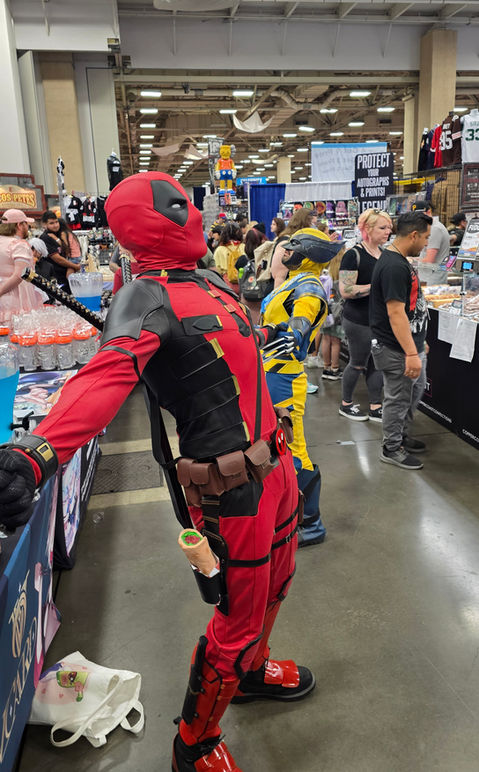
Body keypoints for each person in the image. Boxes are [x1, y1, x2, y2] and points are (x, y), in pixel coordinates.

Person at [0, 172, 314, 772]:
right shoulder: (144, 297)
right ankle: (195, 742)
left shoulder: (209, 279)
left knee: (279, 581)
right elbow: (104, 377)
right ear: (144, 223)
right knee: (238, 617)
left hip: (275, 465)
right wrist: (36, 453)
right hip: (230, 487)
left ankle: (251, 672)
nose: (192, 213)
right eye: (176, 205)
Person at [261, 227, 344, 547]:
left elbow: (302, 319)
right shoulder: (294, 281)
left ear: (307, 253)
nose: (286, 251)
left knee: (293, 448)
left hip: (284, 377)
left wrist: (288, 333)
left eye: (293, 246)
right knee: (276, 445)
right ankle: (290, 514)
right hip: (272, 372)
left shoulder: (308, 285)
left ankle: (311, 522)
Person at [370, 210, 432, 470]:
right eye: (426, 238)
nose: (427, 243)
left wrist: (417, 340)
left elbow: (409, 308)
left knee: (412, 393)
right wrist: (410, 352)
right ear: (414, 235)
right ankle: (392, 447)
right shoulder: (394, 265)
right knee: (398, 398)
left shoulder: (399, 260)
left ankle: (400, 436)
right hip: (395, 349)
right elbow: (395, 313)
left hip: (408, 344)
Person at [338, 208, 393, 422]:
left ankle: (375, 405)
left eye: (389, 227)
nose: (388, 231)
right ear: (368, 229)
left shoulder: (385, 254)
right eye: (382, 227)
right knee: (358, 362)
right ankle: (346, 404)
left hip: (379, 319)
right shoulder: (354, 255)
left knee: (377, 363)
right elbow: (345, 290)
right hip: (358, 319)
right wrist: (374, 286)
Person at [0, 209, 43, 320]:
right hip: (16, 299)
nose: (28, 227)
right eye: (26, 223)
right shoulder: (19, 245)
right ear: (19, 225)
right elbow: (19, 275)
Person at [270, 208, 315, 288]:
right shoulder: (286, 243)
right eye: (312, 223)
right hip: (283, 290)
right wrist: (280, 295)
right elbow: (279, 277)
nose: (314, 227)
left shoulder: (299, 242)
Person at [320, 248, 346, 380]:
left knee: (326, 338)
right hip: (337, 311)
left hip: (325, 310)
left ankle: (326, 368)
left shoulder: (324, 272)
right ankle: (335, 368)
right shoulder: (342, 275)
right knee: (336, 341)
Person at [40, 210, 81, 289]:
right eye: (51, 223)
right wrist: (75, 266)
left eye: (56, 222)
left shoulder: (60, 233)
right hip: (56, 279)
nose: (55, 225)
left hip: (64, 276)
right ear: (44, 224)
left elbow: (66, 250)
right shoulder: (45, 238)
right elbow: (58, 259)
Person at [415, 202, 450, 285]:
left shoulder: (435, 229)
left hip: (432, 279)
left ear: (429, 212)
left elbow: (429, 260)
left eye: (420, 215)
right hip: (427, 277)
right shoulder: (429, 227)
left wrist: (412, 261)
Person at [213, 221, 245, 293]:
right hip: (243, 281)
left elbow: (217, 270)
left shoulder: (220, 249)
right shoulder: (243, 247)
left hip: (226, 283)